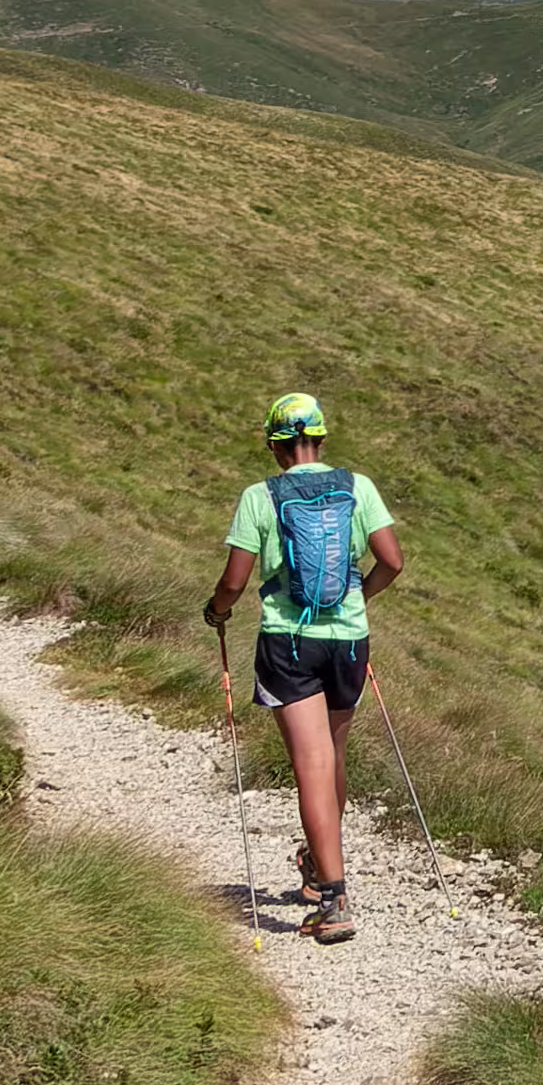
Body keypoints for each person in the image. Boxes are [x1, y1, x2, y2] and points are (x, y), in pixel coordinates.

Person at [204, 388, 399, 942]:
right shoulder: (358, 487)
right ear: (321, 438)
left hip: (289, 642)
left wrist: (217, 611)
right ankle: (317, 865)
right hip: (349, 639)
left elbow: (234, 581)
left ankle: (333, 898)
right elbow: (392, 561)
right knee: (332, 755)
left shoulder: (259, 497)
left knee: (311, 762)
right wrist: (359, 597)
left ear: (274, 445)